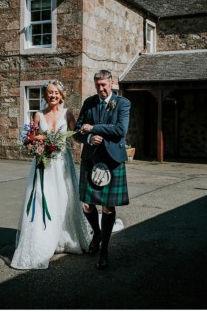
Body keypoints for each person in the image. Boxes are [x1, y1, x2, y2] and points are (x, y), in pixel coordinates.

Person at [11, 80, 91, 269]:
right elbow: (30, 137)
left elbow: (77, 135)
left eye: (56, 92)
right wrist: (31, 145)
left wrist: (89, 135)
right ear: (45, 96)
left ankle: (64, 237)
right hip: (43, 165)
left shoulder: (68, 114)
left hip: (63, 164)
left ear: (61, 95)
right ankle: (42, 238)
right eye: (49, 93)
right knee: (41, 198)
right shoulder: (39, 115)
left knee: (64, 199)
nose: (52, 95)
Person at [73, 70, 131, 270]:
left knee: (108, 208)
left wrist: (94, 129)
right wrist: (88, 138)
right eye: (98, 85)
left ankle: (104, 249)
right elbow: (77, 131)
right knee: (87, 206)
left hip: (112, 160)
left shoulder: (122, 103)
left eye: (104, 85)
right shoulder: (89, 102)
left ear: (111, 83)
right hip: (91, 159)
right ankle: (96, 233)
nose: (101, 89)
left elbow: (120, 130)